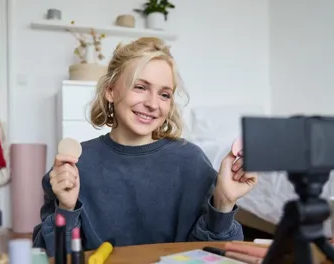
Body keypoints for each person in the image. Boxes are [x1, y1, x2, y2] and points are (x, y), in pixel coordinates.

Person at [32, 37, 258, 256]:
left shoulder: (191, 161)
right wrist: (66, 208)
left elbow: (213, 254)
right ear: (111, 90)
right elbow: (51, 254)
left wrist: (224, 203)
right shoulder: (77, 164)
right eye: (140, 87)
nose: (152, 104)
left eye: (164, 94)